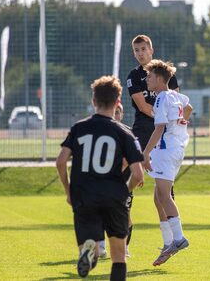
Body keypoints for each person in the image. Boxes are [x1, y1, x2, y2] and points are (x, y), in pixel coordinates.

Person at [56, 75, 144, 280]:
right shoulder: (125, 133)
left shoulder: (79, 128)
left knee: (92, 249)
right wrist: (124, 191)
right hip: (114, 197)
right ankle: (94, 253)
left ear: (93, 101)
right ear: (118, 102)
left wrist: (69, 192)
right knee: (119, 257)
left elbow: (60, 162)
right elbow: (138, 175)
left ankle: (90, 251)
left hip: (84, 196)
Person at [126, 34, 180, 252]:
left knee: (163, 192)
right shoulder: (134, 76)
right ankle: (122, 239)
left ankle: (170, 241)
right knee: (126, 179)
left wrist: (169, 120)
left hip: (164, 135)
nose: (140, 53)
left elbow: (177, 104)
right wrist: (162, 116)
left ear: (151, 49)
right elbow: (142, 106)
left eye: (143, 49)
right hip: (142, 132)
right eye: (136, 50)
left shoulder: (167, 73)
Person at [142, 59, 193, 266]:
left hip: (166, 150)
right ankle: (168, 243)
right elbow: (188, 107)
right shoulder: (175, 95)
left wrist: (145, 153)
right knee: (158, 197)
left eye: (150, 76)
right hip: (176, 148)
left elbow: (159, 128)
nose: (147, 79)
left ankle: (179, 239)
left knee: (163, 195)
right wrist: (181, 122)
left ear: (160, 80)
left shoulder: (162, 97)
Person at [99, 103, 135, 259]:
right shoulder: (102, 133)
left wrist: (137, 173)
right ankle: (101, 247)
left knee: (125, 215)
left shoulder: (128, 132)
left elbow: (131, 158)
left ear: (122, 114)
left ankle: (125, 247)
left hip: (124, 182)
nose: (116, 115)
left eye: (118, 112)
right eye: (114, 112)